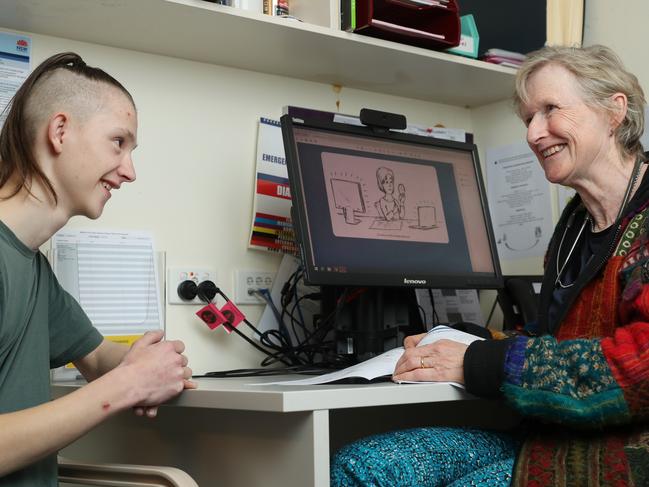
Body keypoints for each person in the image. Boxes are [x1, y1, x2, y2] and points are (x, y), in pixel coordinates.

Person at [331, 44, 649, 486]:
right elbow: (552, 339)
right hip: (547, 438)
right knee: (362, 466)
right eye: (528, 118)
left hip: (627, 453)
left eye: (550, 109)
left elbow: (639, 368)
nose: (534, 133)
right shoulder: (576, 222)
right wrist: (471, 342)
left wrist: (486, 362)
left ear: (614, 111)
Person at [0, 52, 195, 486]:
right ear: (60, 131)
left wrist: (152, 365)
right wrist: (127, 385)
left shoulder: (31, 266)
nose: (129, 171)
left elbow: (95, 355)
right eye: (118, 142)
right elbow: (114, 380)